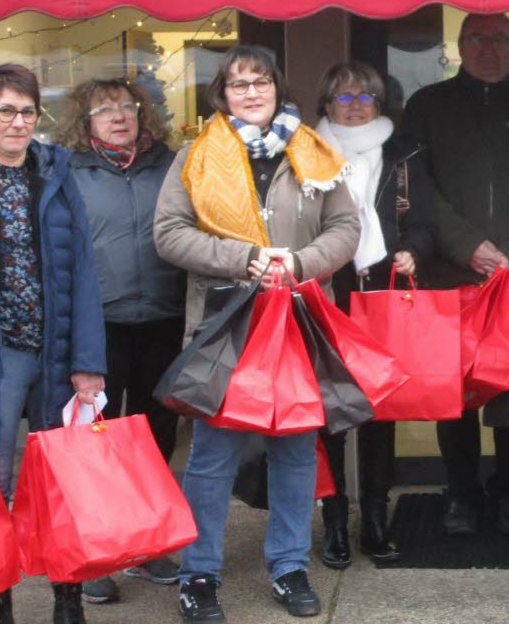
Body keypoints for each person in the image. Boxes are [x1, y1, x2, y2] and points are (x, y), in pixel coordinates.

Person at [153, 45, 359, 624]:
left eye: (260, 82)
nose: (250, 92)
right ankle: (198, 573)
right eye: (238, 84)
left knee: (294, 449)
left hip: (297, 315)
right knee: (212, 453)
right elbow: (168, 233)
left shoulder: (314, 151)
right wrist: (246, 258)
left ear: (277, 89)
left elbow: (347, 226)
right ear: (222, 94)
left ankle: (289, 564)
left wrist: (301, 262)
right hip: (226, 320)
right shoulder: (196, 155)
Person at [400, 12, 509, 538]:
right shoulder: (427, 106)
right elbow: (417, 189)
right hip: (451, 277)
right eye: (477, 39)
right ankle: (461, 492)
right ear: (459, 45)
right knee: (456, 398)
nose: (488, 48)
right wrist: (470, 246)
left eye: (499, 39)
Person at [0, 63, 107, 624]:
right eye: (5, 111)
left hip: (54, 350)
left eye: (27, 111)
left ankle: (67, 600)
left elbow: (82, 269)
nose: (18, 122)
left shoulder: (56, 171)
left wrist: (88, 361)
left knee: (63, 483)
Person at [53, 77, 184, 604]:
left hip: (163, 316)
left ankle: (148, 545)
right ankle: (96, 555)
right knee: (95, 442)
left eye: (127, 107)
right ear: (85, 123)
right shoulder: (67, 171)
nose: (118, 116)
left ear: (142, 114)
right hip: (98, 321)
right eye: (104, 111)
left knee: (156, 435)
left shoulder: (171, 164)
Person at [313, 60, 434, 570]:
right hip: (328, 287)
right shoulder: (307, 152)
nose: (357, 104)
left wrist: (414, 250)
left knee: (379, 409)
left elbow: (425, 219)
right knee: (331, 411)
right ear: (327, 105)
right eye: (345, 97)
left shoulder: (403, 151)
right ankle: (335, 519)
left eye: (366, 96)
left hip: (383, 285)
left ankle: (377, 516)